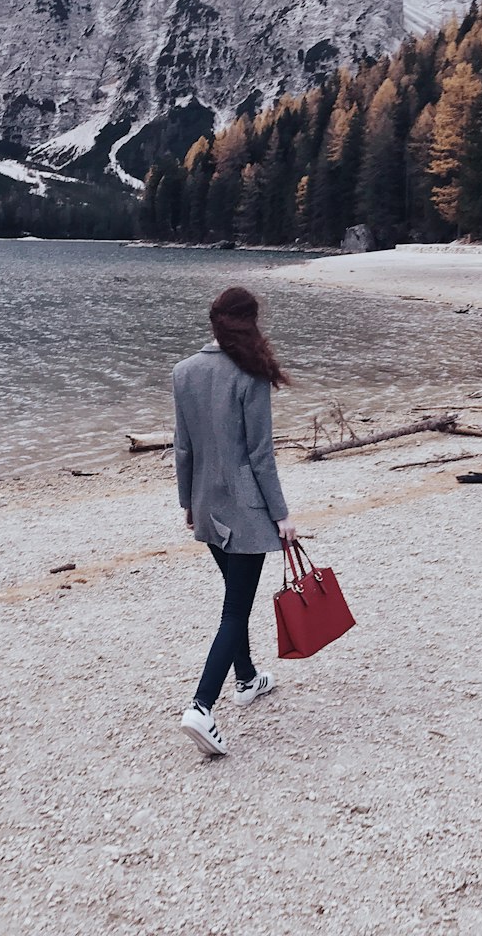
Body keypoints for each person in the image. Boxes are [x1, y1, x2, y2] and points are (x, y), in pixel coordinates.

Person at [172, 285, 296, 756]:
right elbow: (261, 457)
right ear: (251, 321)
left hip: (205, 503)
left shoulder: (184, 371)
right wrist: (281, 515)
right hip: (245, 511)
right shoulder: (251, 375)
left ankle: (246, 679)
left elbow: (182, 448)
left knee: (233, 598)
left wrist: (188, 503)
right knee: (236, 609)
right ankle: (201, 707)